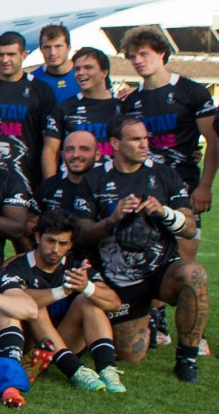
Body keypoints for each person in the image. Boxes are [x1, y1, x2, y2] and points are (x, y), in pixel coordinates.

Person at [71, 116, 204, 381]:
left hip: (160, 271)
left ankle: (187, 359)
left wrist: (165, 213)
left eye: (145, 138)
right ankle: (149, 321)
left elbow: (189, 227)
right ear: (115, 143)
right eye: (135, 139)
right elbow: (81, 235)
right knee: (130, 355)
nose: (144, 144)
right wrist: (112, 219)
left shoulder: (164, 174)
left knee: (194, 274)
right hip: (119, 280)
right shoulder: (95, 179)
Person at [0, 210, 116, 393]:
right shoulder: (17, 266)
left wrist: (87, 287)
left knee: (88, 301)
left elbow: (114, 302)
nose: (55, 249)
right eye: (50, 241)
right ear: (38, 237)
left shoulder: (75, 267)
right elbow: (21, 302)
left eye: (63, 243)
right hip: (28, 343)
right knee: (37, 307)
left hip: (63, 340)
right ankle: (75, 370)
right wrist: (62, 291)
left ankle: (107, 369)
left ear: (70, 245)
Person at [118, 27, 216, 263]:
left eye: (144, 54)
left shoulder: (192, 92)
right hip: (143, 189)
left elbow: (213, 140)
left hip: (185, 188)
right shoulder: (130, 101)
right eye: (132, 57)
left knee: (185, 262)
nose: (138, 61)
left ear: (162, 53)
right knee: (144, 261)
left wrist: (205, 187)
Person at [0, 31, 58, 183]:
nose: (5, 60)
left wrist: (49, 185)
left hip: (27, 179)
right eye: (0, 55)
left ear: (24, 55)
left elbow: (50, 145)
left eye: (11, 54)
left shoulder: (41, 90)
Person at [47, 46, 119, 161]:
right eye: (77, 69)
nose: (81, 73)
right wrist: (50, 179)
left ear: (104, 72)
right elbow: (50, 152)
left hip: (113, 177)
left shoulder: (122, 108)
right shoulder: (63, 109)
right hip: (76, 178)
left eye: (88, 67)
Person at [36, 130, 100, 226]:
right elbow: (31, 222)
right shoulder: (48, 186)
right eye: (69, 149)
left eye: (84, 149)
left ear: (97, 155)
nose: (75, 155)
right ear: (62, 154)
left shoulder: (105, 188)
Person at [31, 24, 80, 103]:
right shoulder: (33, 80)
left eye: (58, 46)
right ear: (40, 49)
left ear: (68, 48)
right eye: (47, 47)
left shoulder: (85, 75)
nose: (52, 53)